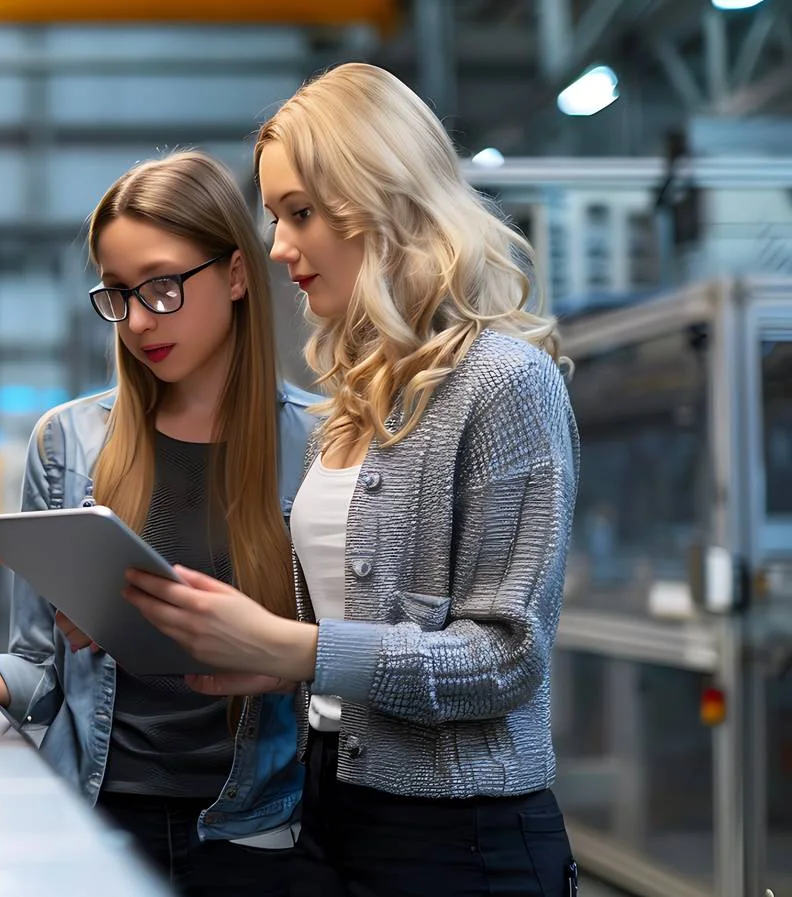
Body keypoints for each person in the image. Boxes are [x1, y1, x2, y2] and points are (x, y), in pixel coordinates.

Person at [121, 63, 582, 897]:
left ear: (387, 200)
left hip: (462, 838)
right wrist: (272, 659)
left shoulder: (505, 382)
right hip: (335, 805)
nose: (276, 246)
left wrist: (295, 648)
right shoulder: (357, 402)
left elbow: (505, 658)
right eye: (273, 217)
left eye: (300, 213)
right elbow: (352, 631)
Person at [0, 149, 318, 897]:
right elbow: (42, 665)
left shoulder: (326, 446)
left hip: (263, 834)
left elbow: (347, 662)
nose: (140, 320)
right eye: (119, 294)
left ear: (238, 274)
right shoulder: (69, 443)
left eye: (162, 286)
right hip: (96, 815)